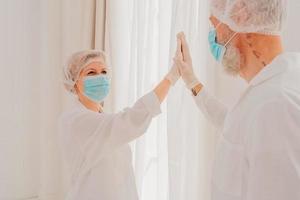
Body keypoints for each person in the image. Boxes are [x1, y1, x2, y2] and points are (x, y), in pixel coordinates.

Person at [174, 0, 300, 199]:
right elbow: (235, 123)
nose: (213, 37)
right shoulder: (277, 88)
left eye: (214, 25)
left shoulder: (274, 106)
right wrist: (192, 82)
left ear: (240, 14)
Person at [58, 46, 180, 199]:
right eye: (91, 72)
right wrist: (169, 79)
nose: (100, 77)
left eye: (104, 71)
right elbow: (130, 120)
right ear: (74, 82)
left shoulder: (102, 117)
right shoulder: (75, 120)